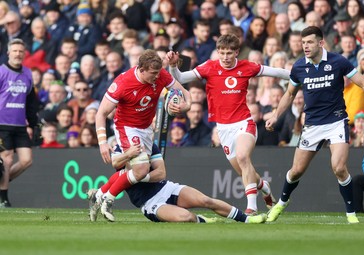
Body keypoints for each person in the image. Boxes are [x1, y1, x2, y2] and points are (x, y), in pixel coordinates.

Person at [265, 26, 364, 224]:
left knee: (339, 167)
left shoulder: (338, 61)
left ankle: (351, 214)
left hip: (337, 121)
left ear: (321, 42)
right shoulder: (300, 66)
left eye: (309, 42)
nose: (305, 46)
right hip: (312, 125)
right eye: (303, 43)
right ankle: (282, 203)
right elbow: (290, 94)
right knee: (296, 171)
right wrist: (276, 115)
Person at [167, 34, 290, 215]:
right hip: (223, 128)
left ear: (237, 52)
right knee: (244, 171)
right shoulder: (209, 67)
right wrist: (172, 66)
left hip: (244, 122)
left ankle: (251, 208)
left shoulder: (247, 67)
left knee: (242, 157)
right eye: (222, 53)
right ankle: (264, 187)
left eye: (229, 53)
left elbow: (276, 72)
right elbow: (180, 78)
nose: (225, 57)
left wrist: (299, 74)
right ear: (218, 52)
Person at [95, 49, 191, 221]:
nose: (156, 77)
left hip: (147, 129)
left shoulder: (161, 74)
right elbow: (101, 113)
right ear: (141, 69)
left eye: (158, 72)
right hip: (127, 127)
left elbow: (185, 93)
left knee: (157, 173)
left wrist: (185, 106)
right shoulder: (123, 82)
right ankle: (108, 198)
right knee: (141, 169)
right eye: (153, 73)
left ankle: (100, 193)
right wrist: (102, 142)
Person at [87, 142, 266, 223]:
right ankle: (202, 220)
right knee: (185, 217)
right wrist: (129, 154)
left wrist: (140, 175)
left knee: (206, 201)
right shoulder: (118, 147)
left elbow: (161, 173)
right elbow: (116, 165)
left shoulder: (150, 145)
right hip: (150, 204)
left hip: (166, 188)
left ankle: (247, 219)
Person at [0, 39, 38, 208]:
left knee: (26, 160)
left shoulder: (28, 74)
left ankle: (3, 180)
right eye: (14, 51)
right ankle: (3, 199)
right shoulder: (1, 72)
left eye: (20, 51)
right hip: (2, 124)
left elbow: (31, 100)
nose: (18, 54)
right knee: (6, 160)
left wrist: (33, 123)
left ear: (24, 54)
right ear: (8, 53)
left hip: (20, 125)